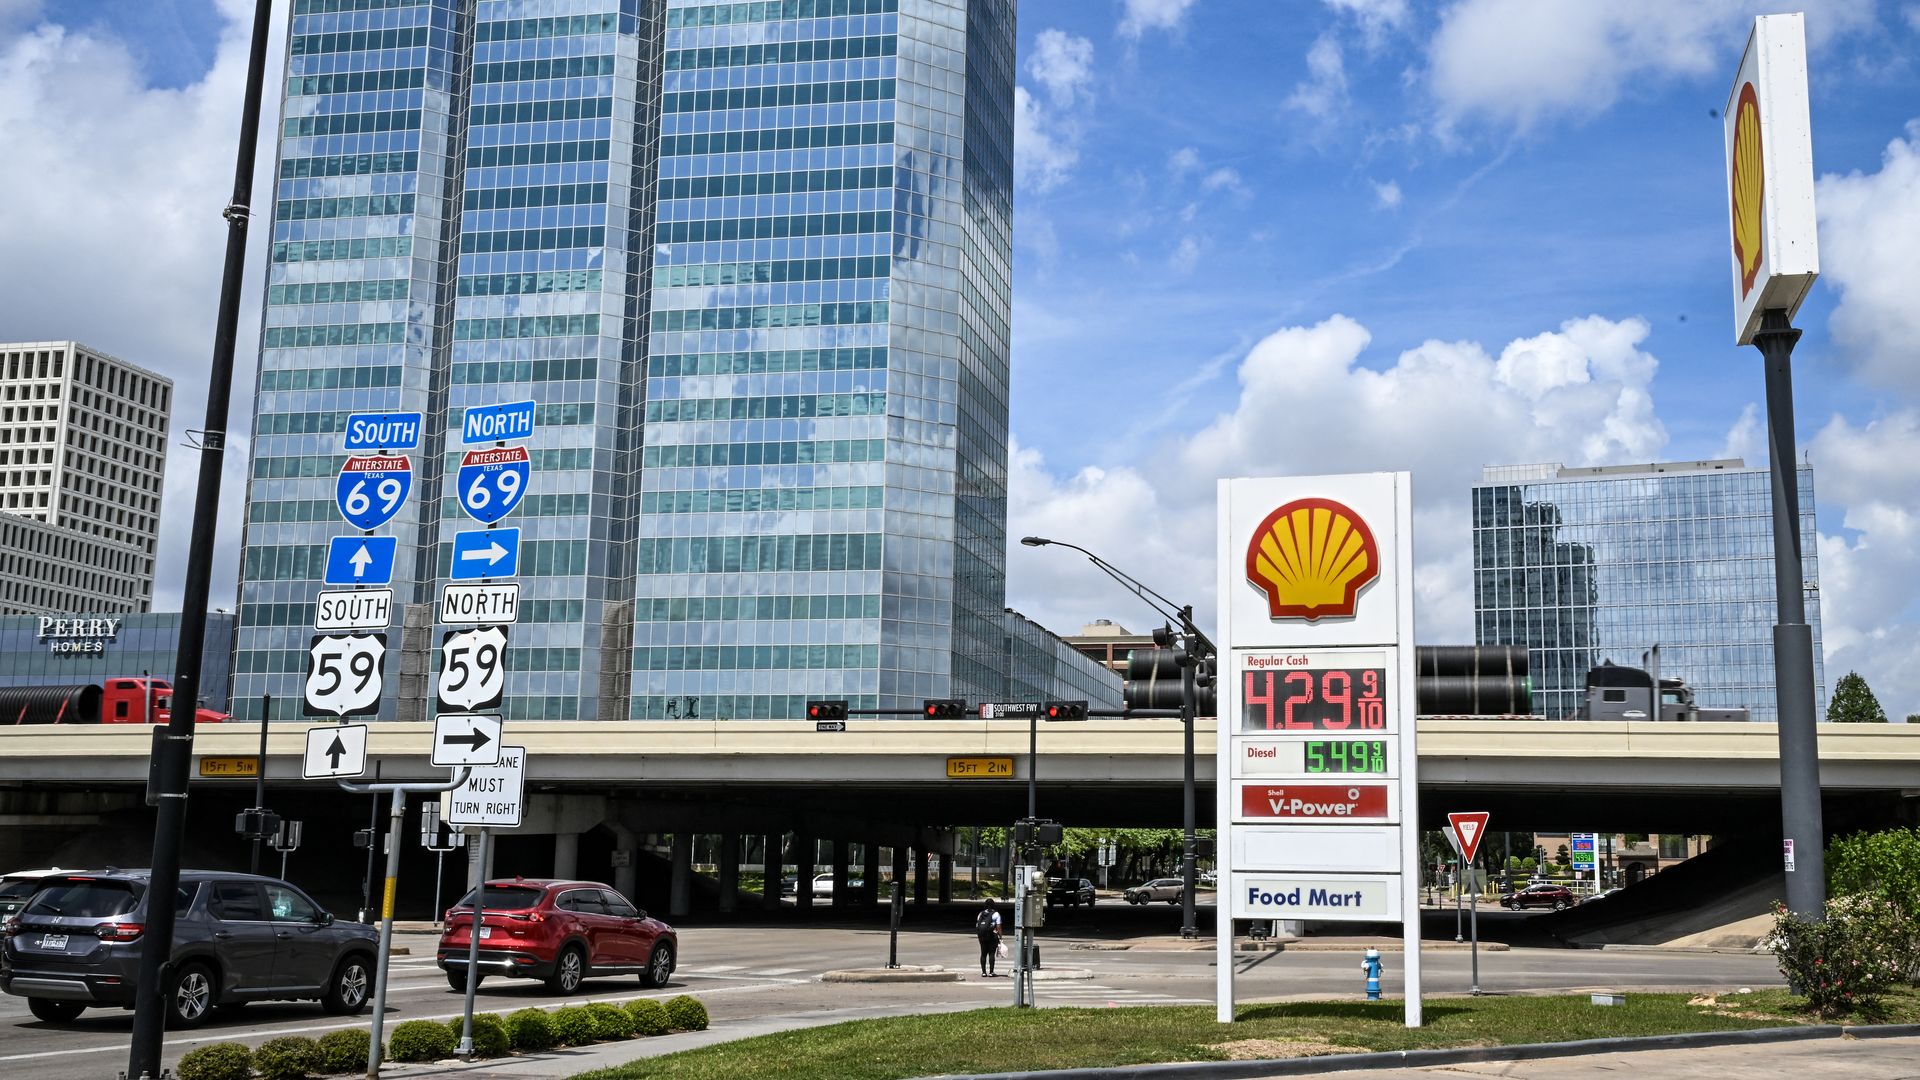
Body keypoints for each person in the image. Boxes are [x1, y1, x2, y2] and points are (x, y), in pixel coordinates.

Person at [974, 900, 1002, 976]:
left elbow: (978, 924)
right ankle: (991, 972)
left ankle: (983, 972)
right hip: (992, 935)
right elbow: (998, 926)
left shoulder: (981, 914)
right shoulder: (996, 914)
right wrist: (1000, 936)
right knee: (991, 953)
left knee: (983, 953)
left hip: (982, 936)